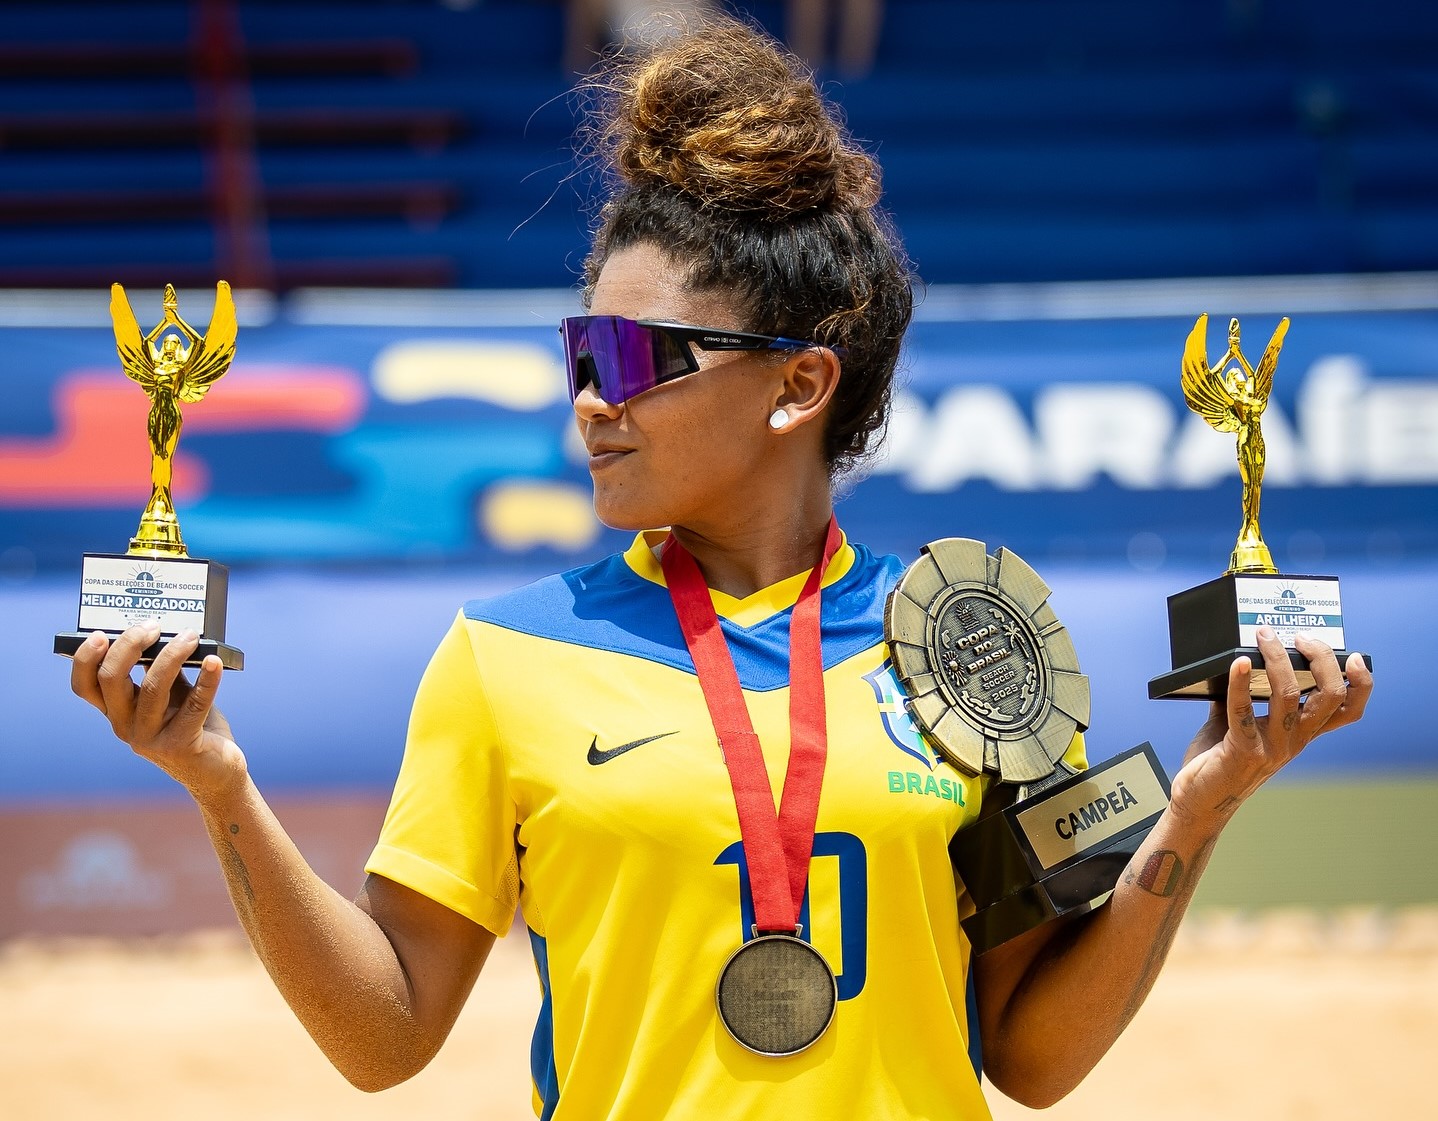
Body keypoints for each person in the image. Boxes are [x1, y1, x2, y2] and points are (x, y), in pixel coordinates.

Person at [68, 15, 1373, 1120]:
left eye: (638, 358)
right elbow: (385, 1037)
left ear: (799, 386)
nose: (593, 400)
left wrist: (1199, 808)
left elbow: (1032, 1058)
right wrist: (219, 785)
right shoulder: (502, 658)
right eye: (583, 354)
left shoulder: (981, 638)